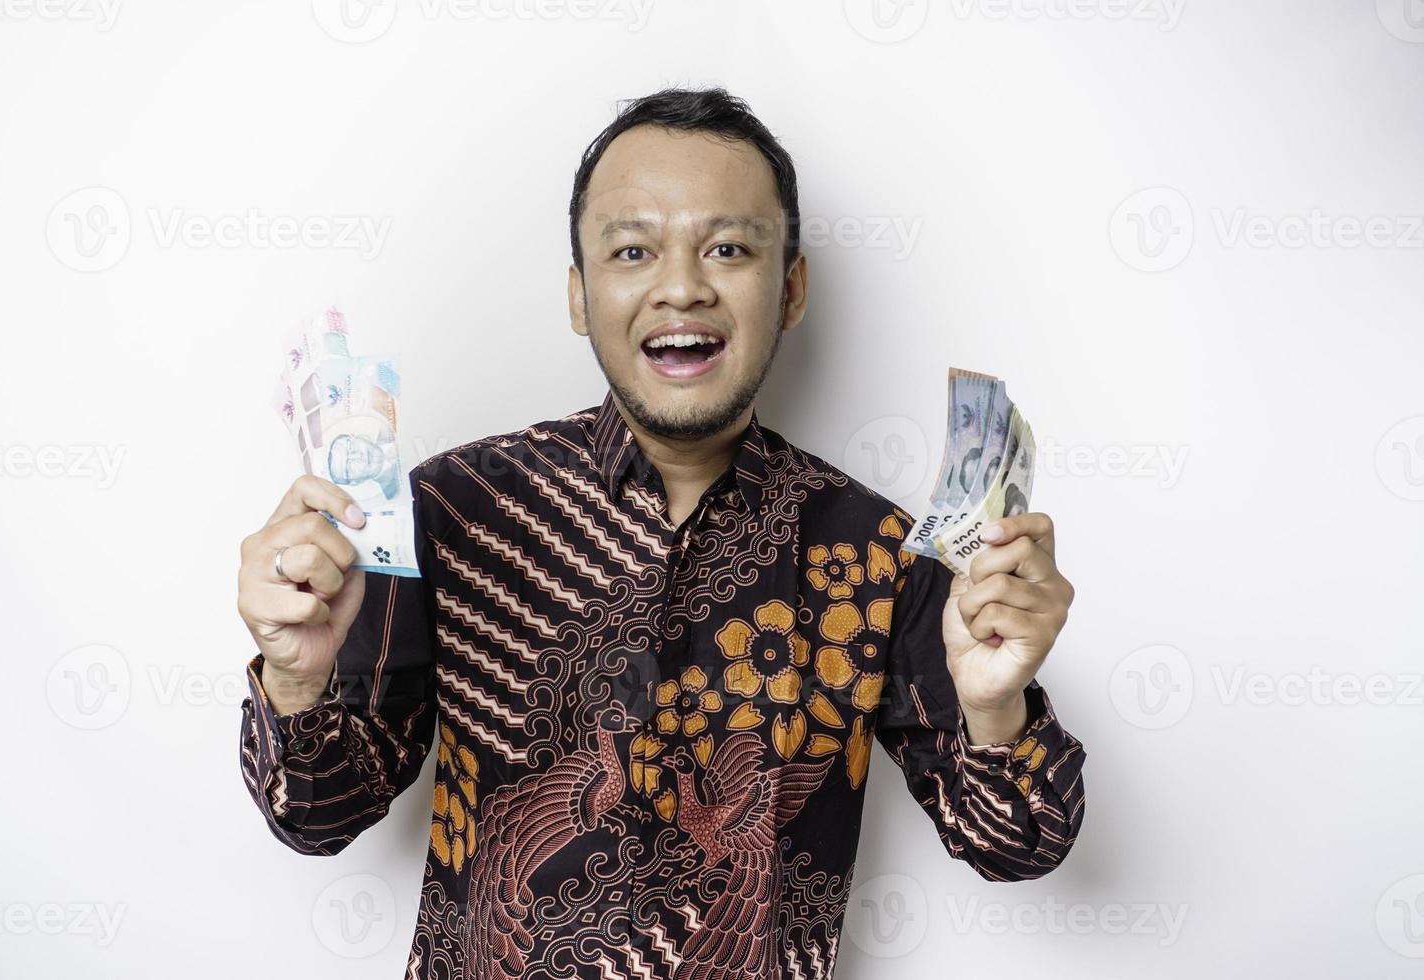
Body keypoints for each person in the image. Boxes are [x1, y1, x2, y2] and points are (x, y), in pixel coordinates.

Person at [235, 87, 1085, 980]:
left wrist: (995, 707)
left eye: (727, 247)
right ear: (580, 292)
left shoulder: (880, 555)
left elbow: (1020, 844)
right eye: (633, 249)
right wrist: (297, 683)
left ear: (791, 288)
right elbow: (317, 815)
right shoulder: (451, 510)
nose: (682, 286)